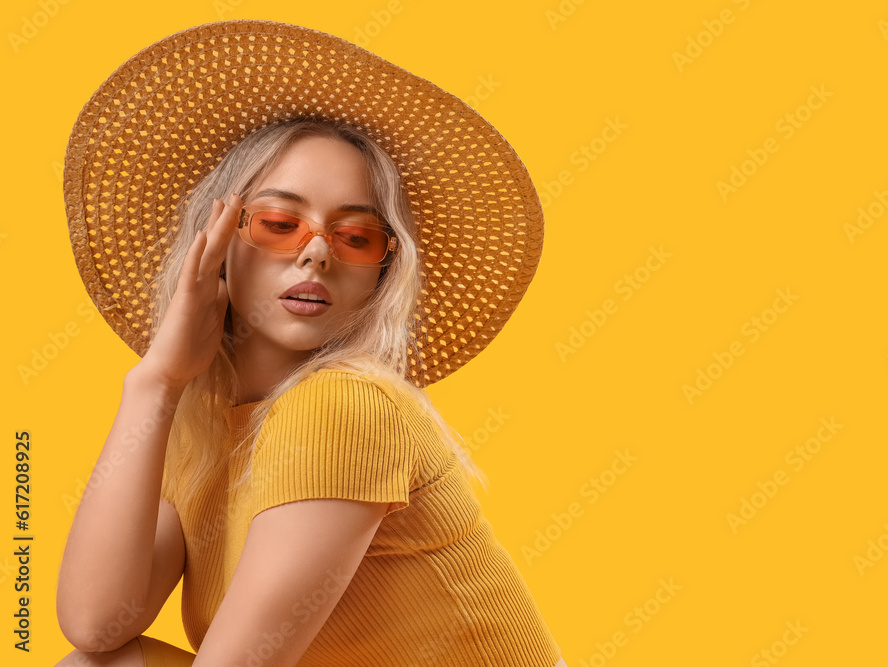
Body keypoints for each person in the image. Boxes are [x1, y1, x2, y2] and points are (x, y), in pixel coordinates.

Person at [56, 19, 566, 667]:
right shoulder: (205, 427)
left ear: (378, 274)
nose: (317, 253)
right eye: (278, 223)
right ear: (215, 241)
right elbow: (96, 623)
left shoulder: (344, 407)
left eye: (355, 237)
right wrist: (156, 380)